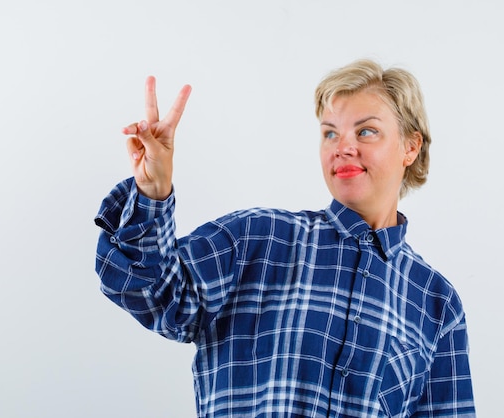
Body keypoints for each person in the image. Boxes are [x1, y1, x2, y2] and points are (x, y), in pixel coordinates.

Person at [94, 59, 476, 417]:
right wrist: (152, 191)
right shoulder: (257, 240)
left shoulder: (435, 303)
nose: (342, 146)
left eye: (366, 131)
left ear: (410, 147)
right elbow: (151, 293)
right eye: (330, 133)